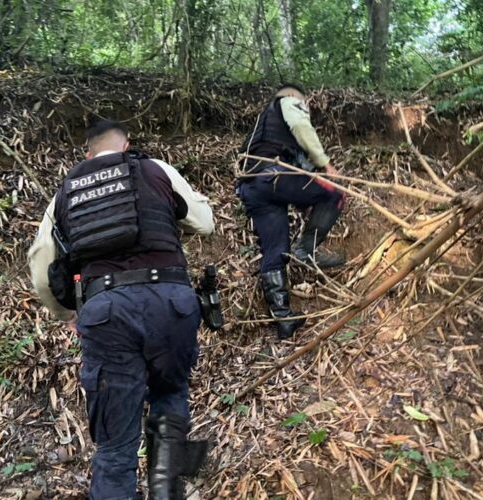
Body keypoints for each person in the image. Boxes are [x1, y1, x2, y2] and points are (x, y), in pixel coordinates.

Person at [28, 120, 214, 499]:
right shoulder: (154, 169)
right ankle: (166, 490)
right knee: (170, 393)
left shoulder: (66, 191)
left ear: (87, 153)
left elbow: (40, 266)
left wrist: (67, 315)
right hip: (171, 303)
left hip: (106, 311)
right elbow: (205, 224)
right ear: (126, 145)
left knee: (115, 445)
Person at [236, 83, 345, 340]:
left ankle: (284, 318)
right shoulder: (288, 102)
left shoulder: (260, 129)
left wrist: (302, 198)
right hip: (274, 177)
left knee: (275, 249)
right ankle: (306, 251)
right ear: (296, 97)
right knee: (335, 193)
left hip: (251, 186)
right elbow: (301, 128)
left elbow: (292, 164)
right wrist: (326, 165)